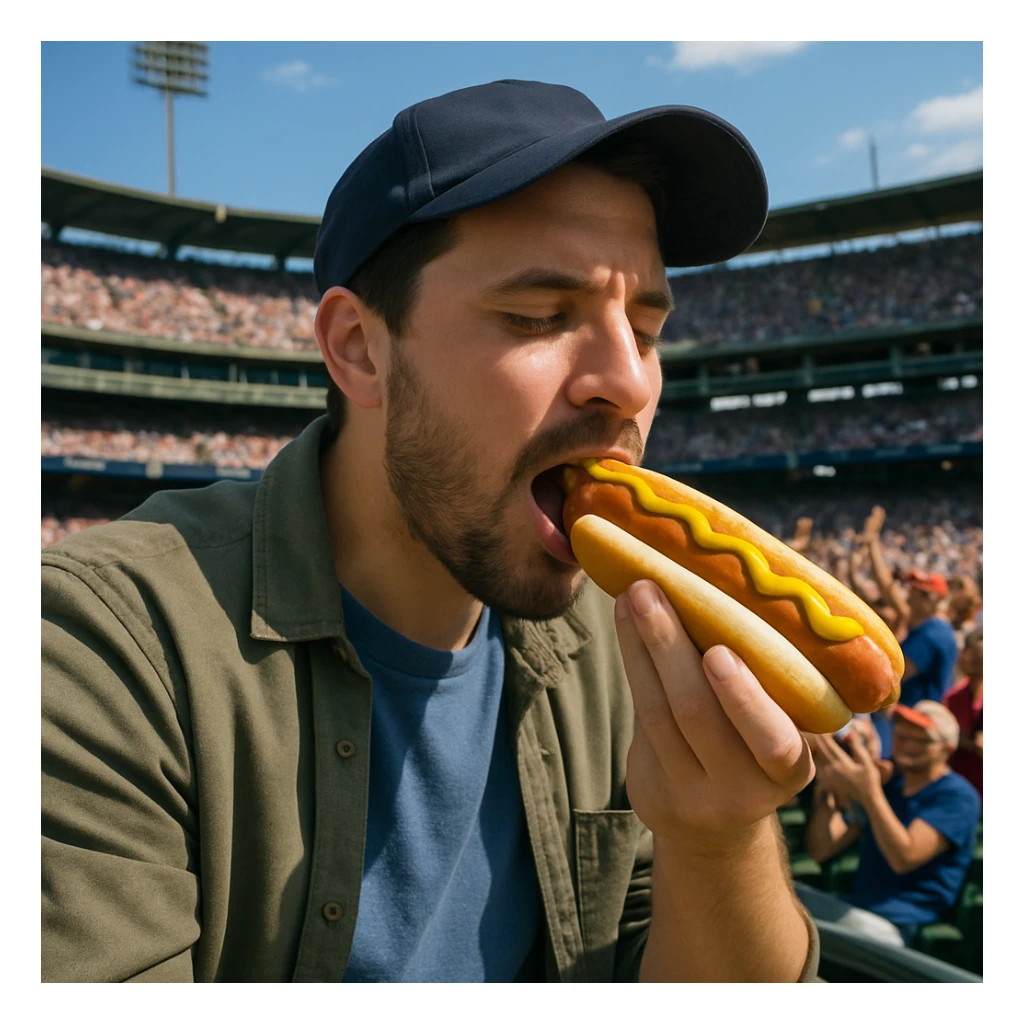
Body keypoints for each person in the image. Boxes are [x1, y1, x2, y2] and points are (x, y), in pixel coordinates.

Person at [42, 79, 821, 983]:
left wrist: (718, 841)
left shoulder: (624, 652)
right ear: (359, 348)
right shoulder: (105, 656)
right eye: (539, 316)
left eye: (644, 330)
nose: (629, 383)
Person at [803, 701, 980, 948]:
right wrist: (828, 792)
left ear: (947, 749)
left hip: (901, 926)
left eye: (920, 740)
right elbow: (821, 849)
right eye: (901, 734)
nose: (906, 744)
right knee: (784, 901)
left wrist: (870, 793)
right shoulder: (891, 783)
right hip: (856, 907)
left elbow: (904, 858)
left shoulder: (957, 797)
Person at [872, 566, 959, 759]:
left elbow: (893, 676)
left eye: (918, 591)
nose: (909, 594)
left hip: (915, 725)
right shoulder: (925, 628)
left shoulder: (933, 633)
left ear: (933, 599)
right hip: (908, 721)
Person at [942, 627, 983, 801]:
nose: (968, 658)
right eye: (967, 650)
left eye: (976, 654)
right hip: (959, 791)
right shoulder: (954, 697)